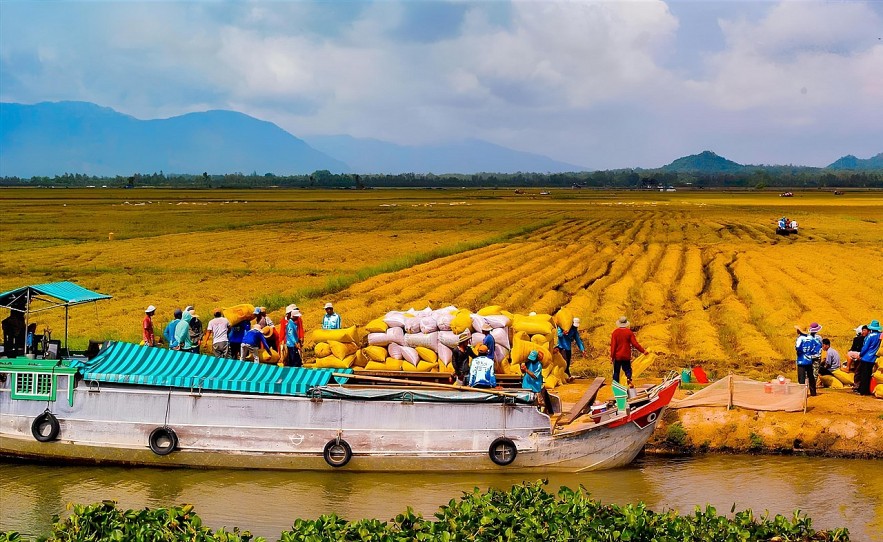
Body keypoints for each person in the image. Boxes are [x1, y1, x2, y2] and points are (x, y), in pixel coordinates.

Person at [610, 316, 646, 386]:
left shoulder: (615, 332)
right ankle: (629, 378)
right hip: (626, 355)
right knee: (627, 369)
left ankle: (616, 385)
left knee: (616, 371)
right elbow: (635, 344)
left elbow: (613, 346)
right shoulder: (629, 332)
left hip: (617, 356)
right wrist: (643, 351)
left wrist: (612, 357)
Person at [795, 322, 823, 397]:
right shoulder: (811, 338)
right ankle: (813, 392)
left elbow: (798, 348)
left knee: (802, 377)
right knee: (811, 376)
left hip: (801, 360)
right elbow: (818, 346)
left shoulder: (800, 338)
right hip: (809, 359)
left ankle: (802, 394)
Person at [856, 320, 881, 396]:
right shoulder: (880, 336)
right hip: (874, 358)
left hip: (866, 358)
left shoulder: (870, 336)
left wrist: (861, 354)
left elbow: (865, 347)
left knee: (864, 375)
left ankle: (863, 391)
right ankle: (868, 390)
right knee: (869, 374)